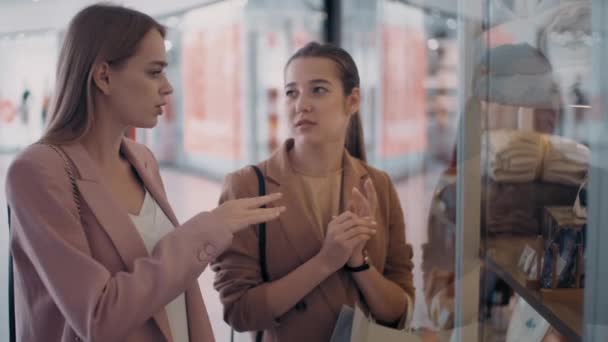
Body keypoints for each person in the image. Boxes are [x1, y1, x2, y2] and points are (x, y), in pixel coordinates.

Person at [5, 4, 284, 342]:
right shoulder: (38, 171)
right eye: (154, 72)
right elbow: (97, 316)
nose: (167, 87)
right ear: (104, 77)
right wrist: (206, 229)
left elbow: (177, 291)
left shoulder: (142, 159)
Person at [212, 42, 415, 342]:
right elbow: (240, 312)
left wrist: (359, 263)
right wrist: (326, 262)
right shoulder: (247, 186)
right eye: (292, 92)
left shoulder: (379, 185)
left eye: (318, 90)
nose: (301, 104)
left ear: (353, 100)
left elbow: (399, 312)